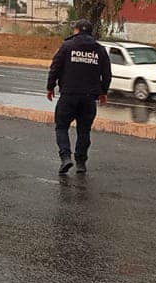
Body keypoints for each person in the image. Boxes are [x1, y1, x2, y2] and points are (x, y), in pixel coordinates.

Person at [46, 19, 112, 175]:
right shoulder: (99, 49)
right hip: (89, 98)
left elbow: (55, 67)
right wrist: (103, 92)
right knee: (84, 131)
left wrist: (50, 87)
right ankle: (81, 162)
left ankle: (65, 157)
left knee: (62, 127)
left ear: (76, 31)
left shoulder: (67, 46)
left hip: (69, 95)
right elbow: (107, 74)